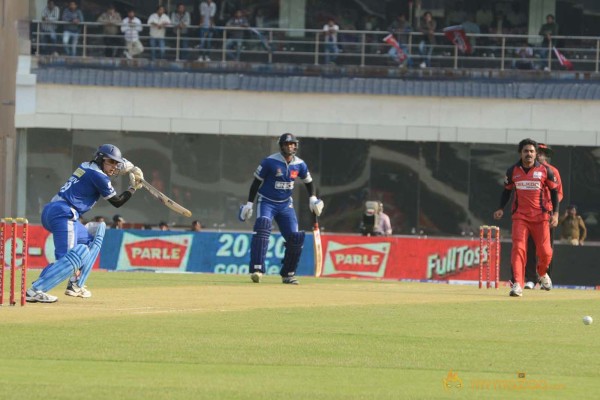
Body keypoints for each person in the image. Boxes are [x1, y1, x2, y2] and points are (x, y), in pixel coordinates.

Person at [26, 144, 144, 303]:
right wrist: (133, 188)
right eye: (111, 162)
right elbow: (117, 202)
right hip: (64, 213)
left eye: (116, 163)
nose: (114, 167)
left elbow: (109, 165)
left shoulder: (86, 166)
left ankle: (75, 284)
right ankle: (35, 290)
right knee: (67, 260)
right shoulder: (99, 177)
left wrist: (127, 167)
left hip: (56, 211)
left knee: (91, 239)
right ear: (100, 159)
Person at [238, 133, 324, 285]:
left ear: (295, 146)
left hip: (285, 205)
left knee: (295, 238)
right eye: (287, 144)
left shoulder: (300, 164)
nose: (290, 146)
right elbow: (256, 183)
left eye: (292, 144)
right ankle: (257, 270)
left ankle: (288, 274)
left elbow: (309, 183)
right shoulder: (270, 162)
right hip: (267, 202)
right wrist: (249, 204)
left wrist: (312, 199)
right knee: (263, 227)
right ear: (281, 146)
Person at [493, 138, 559, 297]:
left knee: (546, 252)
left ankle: (542, 273)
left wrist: (555, 214)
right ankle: (517, 284)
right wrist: (501, 208)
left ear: (536, 154)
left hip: (541, 217)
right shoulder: (512, 171)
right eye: (525, 151)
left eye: (531, 151)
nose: (528, 154)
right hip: (520, 217)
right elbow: (507, 191)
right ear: (520, 153)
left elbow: (555, 192)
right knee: (518, 249)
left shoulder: (545, 171)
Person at [522, 143, 563, 289]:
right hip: (531, 214)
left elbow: (558, 193)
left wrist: (552, 210)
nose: (539, 154)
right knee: (530, 246)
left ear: (546, 155)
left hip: (547, 215)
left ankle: (545, 277)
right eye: (538, 152)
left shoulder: (553, 171)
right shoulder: (528, 169)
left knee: (547, 248)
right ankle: (531, 279)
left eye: (542, 152)